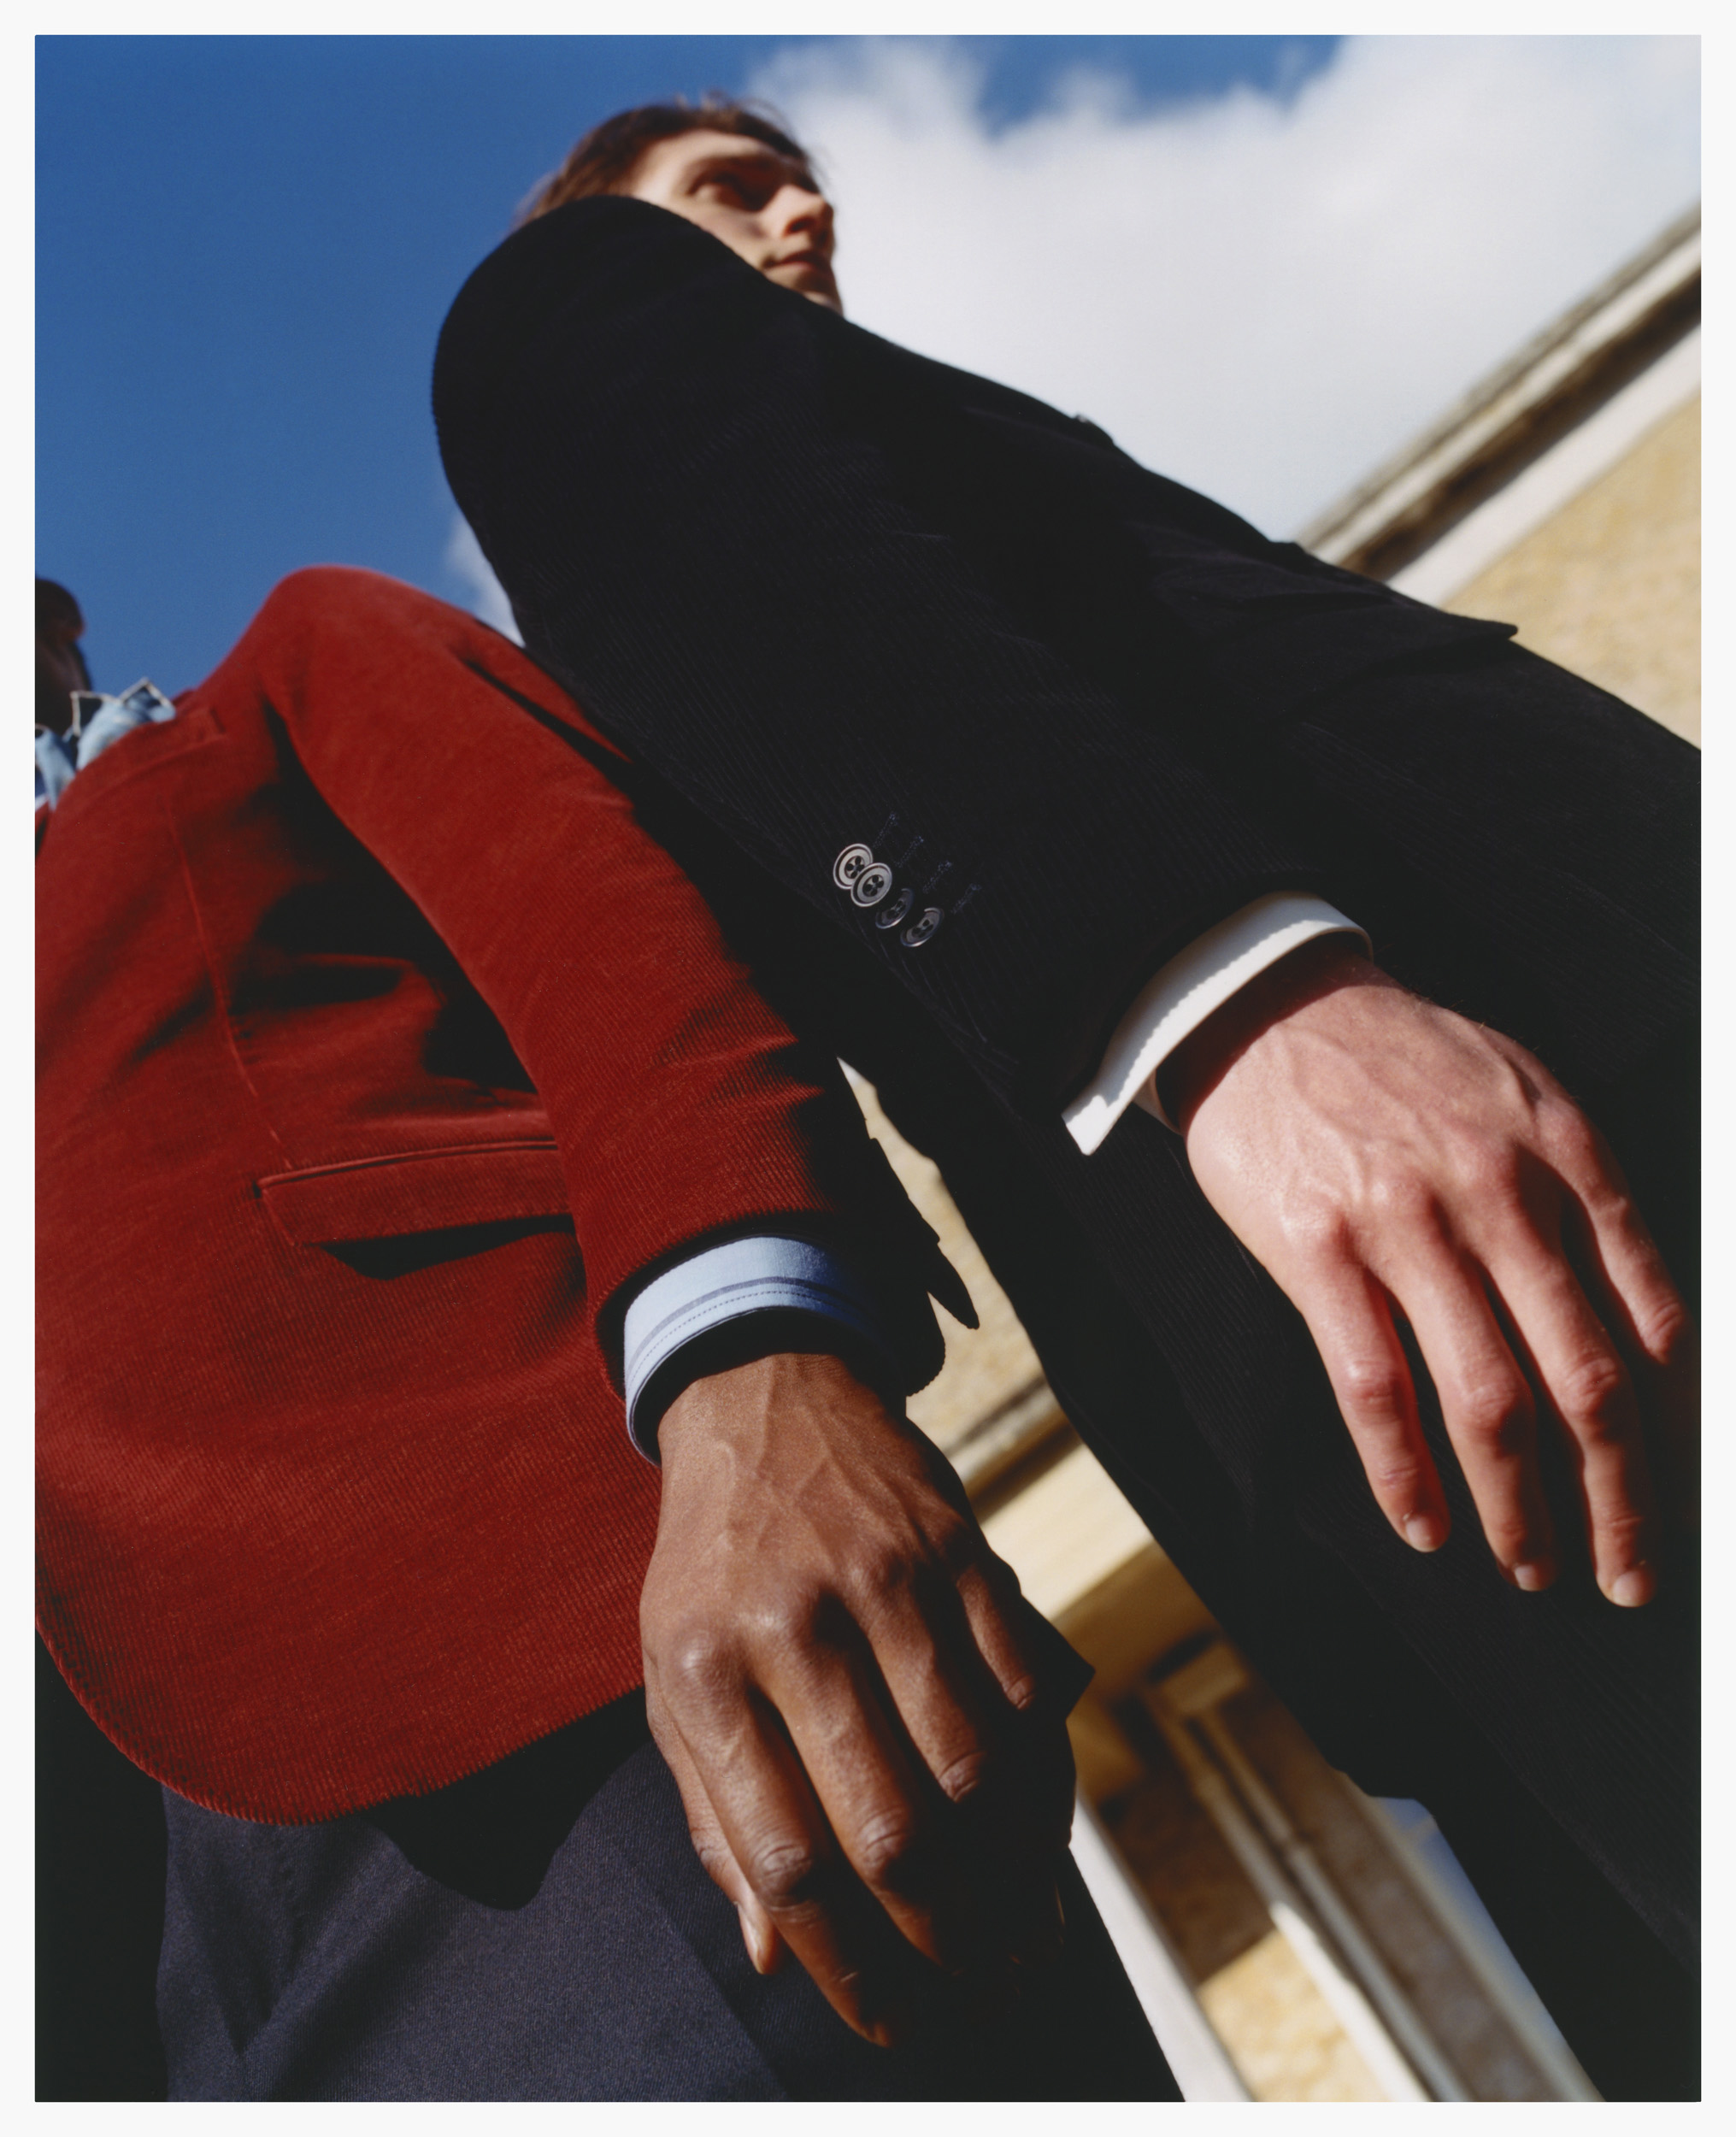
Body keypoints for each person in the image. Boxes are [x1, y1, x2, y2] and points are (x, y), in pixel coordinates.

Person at [434, 97, 1700, 2098]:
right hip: (1495, 1185)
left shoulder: (845, 454)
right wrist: (1224, 994)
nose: (803, 205)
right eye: (725, 187)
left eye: (796, 177)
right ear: (597, 223)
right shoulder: (575, 310)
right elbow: (777, 586)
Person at [36, 564, 1177, 2099]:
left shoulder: (269, 685)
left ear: (50, 622)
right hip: (104, 1969)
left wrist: (752, 1370)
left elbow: (599, 927)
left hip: (555, 1683)